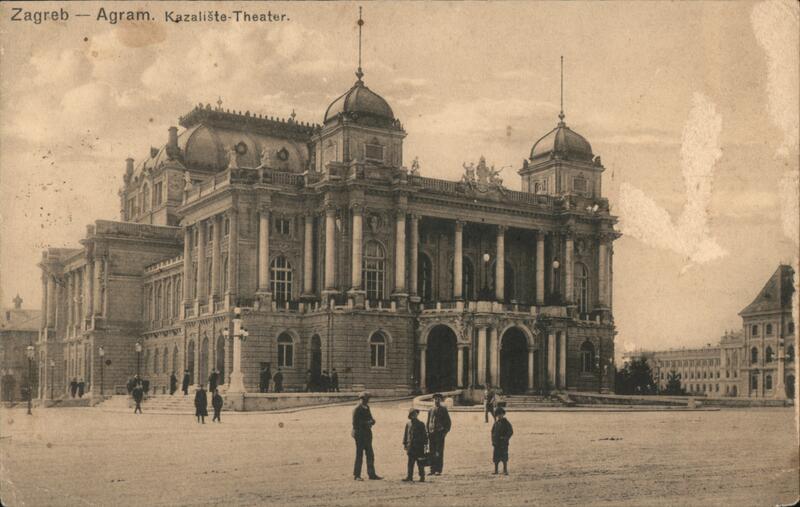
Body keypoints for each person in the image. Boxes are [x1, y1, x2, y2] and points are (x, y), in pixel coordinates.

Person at [352, 392, 382, 481]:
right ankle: (357, 475)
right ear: (361, 399)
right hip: (360, 434)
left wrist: (372, 421)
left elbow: (370, 417)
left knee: (370, 454)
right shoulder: (357, 409)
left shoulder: (367, 408)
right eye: (366, 399)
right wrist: (367, 423)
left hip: (367, 434)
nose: (367, 401)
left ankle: (371, 474)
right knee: (359, 454)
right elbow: (355, 423)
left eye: (368, 399)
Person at [426, 393, 452, 476]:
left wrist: (444, 432)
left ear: (440, 400)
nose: (436, 400)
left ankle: (438, 470)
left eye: (438, 399)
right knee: (431, 452)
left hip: (439, 434)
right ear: (433, 400)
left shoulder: (443, 409)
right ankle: (432, 469)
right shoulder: (430, 410)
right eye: (435, 399)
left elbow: (448, 423)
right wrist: (427, 432)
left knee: (438, 452)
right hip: (431, 434)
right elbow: (428, 421)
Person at [402, 408, 427, 483]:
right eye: (412, 414)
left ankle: (422, 476)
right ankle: (409, 476)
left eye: (415, 414)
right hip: (411, 447)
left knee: (420, 463)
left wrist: (426, 447)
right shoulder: (408, 424)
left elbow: (425, 436)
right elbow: (406, 435)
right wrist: (405, 444)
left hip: (419, 447)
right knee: (410, 463)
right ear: (410, 416)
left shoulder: (421, 424)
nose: (414, 416)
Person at [491, 407, 513, 475]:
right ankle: (496, 470)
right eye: (497, 415)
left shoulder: (506, 423)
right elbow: (492, 432)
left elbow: (510, 431)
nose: (499, 416)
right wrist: (493, 441)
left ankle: (505, 470)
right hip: (497, 443)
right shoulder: (496, 423)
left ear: (503, 414)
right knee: (496, 457)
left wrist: (505, 438)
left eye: (500, 414)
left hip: (503, 443)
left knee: (504, 457)